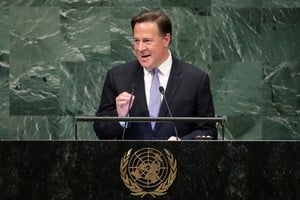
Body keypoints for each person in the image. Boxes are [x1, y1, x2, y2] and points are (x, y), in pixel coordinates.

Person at [93, 10, 217, 140]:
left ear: (166, 40)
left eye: (147, 41)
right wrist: (120, 117)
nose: (140, 48)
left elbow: (208, 132)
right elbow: (100, 131)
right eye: (136, 40)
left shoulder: (195, 79)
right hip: (131, 159)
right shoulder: (117, 77)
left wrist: (183, 144)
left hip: (178, 159)